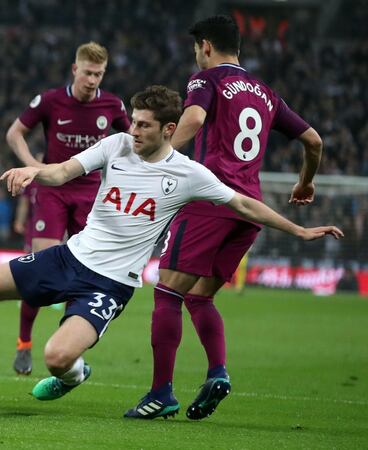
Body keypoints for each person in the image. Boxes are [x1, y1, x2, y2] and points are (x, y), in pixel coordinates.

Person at [0, 86, 341, 407]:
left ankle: (75, 374)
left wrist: (300, 232)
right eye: (133, 120)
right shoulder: (115, 145)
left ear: (170, 129)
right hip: (69, 256)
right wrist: (34, 171)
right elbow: (64, 171)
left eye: (144, 125)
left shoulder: (187, 174)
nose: (133, 130)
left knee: (55, 358)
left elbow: (245, 203)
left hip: (109, 286)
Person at [125, 15, 325, 420]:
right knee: (200, 296)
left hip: (209, 199)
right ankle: (217, 372)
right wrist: (305, 182)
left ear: (207, 47)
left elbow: (195, 119)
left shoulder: (207, 80)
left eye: (196, 48)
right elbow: (313, 140)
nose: (196, 55)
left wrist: (157, 160)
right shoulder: (266, 92)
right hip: (249, 208)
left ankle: (160, 393)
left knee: (167, 293)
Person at [5, 41, 131, 374]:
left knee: (89, 272)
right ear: (75, 69)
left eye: (99, 74)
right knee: (40, 268)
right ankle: (24, 343)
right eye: (88, 72)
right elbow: (15, 133)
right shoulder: (50, 101)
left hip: (92, 194)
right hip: (52, 191)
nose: (93, 80)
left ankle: (70, 343)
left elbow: (136, 143)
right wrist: (33, 165)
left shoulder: (113, 105)